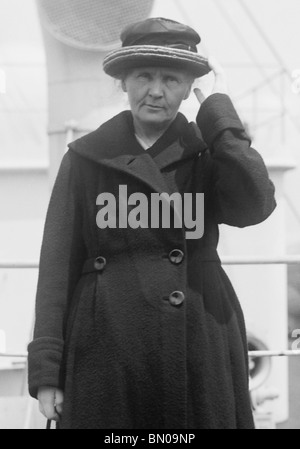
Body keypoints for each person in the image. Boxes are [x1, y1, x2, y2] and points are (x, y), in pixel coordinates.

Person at [28, 17, 276, 429]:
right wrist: (47, 372)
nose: (156, 91)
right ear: (123, 81)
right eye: (144, 75)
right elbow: (56, 268)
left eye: (172, 79)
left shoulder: (208, 153)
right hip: (106, 350)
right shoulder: (85, 158)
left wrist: (219, 113)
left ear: (189, 87)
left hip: (199, 341)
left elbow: (256, 204)